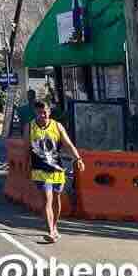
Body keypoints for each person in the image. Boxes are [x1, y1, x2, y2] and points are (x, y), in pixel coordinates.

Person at [24, 100, 84, 243]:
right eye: (39, 113)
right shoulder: (29, 127)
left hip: (57, 169)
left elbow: (68, 144)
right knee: (47, 199)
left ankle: (55, 226)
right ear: (35, 113)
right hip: (39, 169)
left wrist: (78, 158)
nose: (42, 115)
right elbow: (26, 148)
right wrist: (26, 166)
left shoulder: (57, 126)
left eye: (45, 112)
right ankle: (50, 230)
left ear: (49, 112)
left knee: (56, 199)